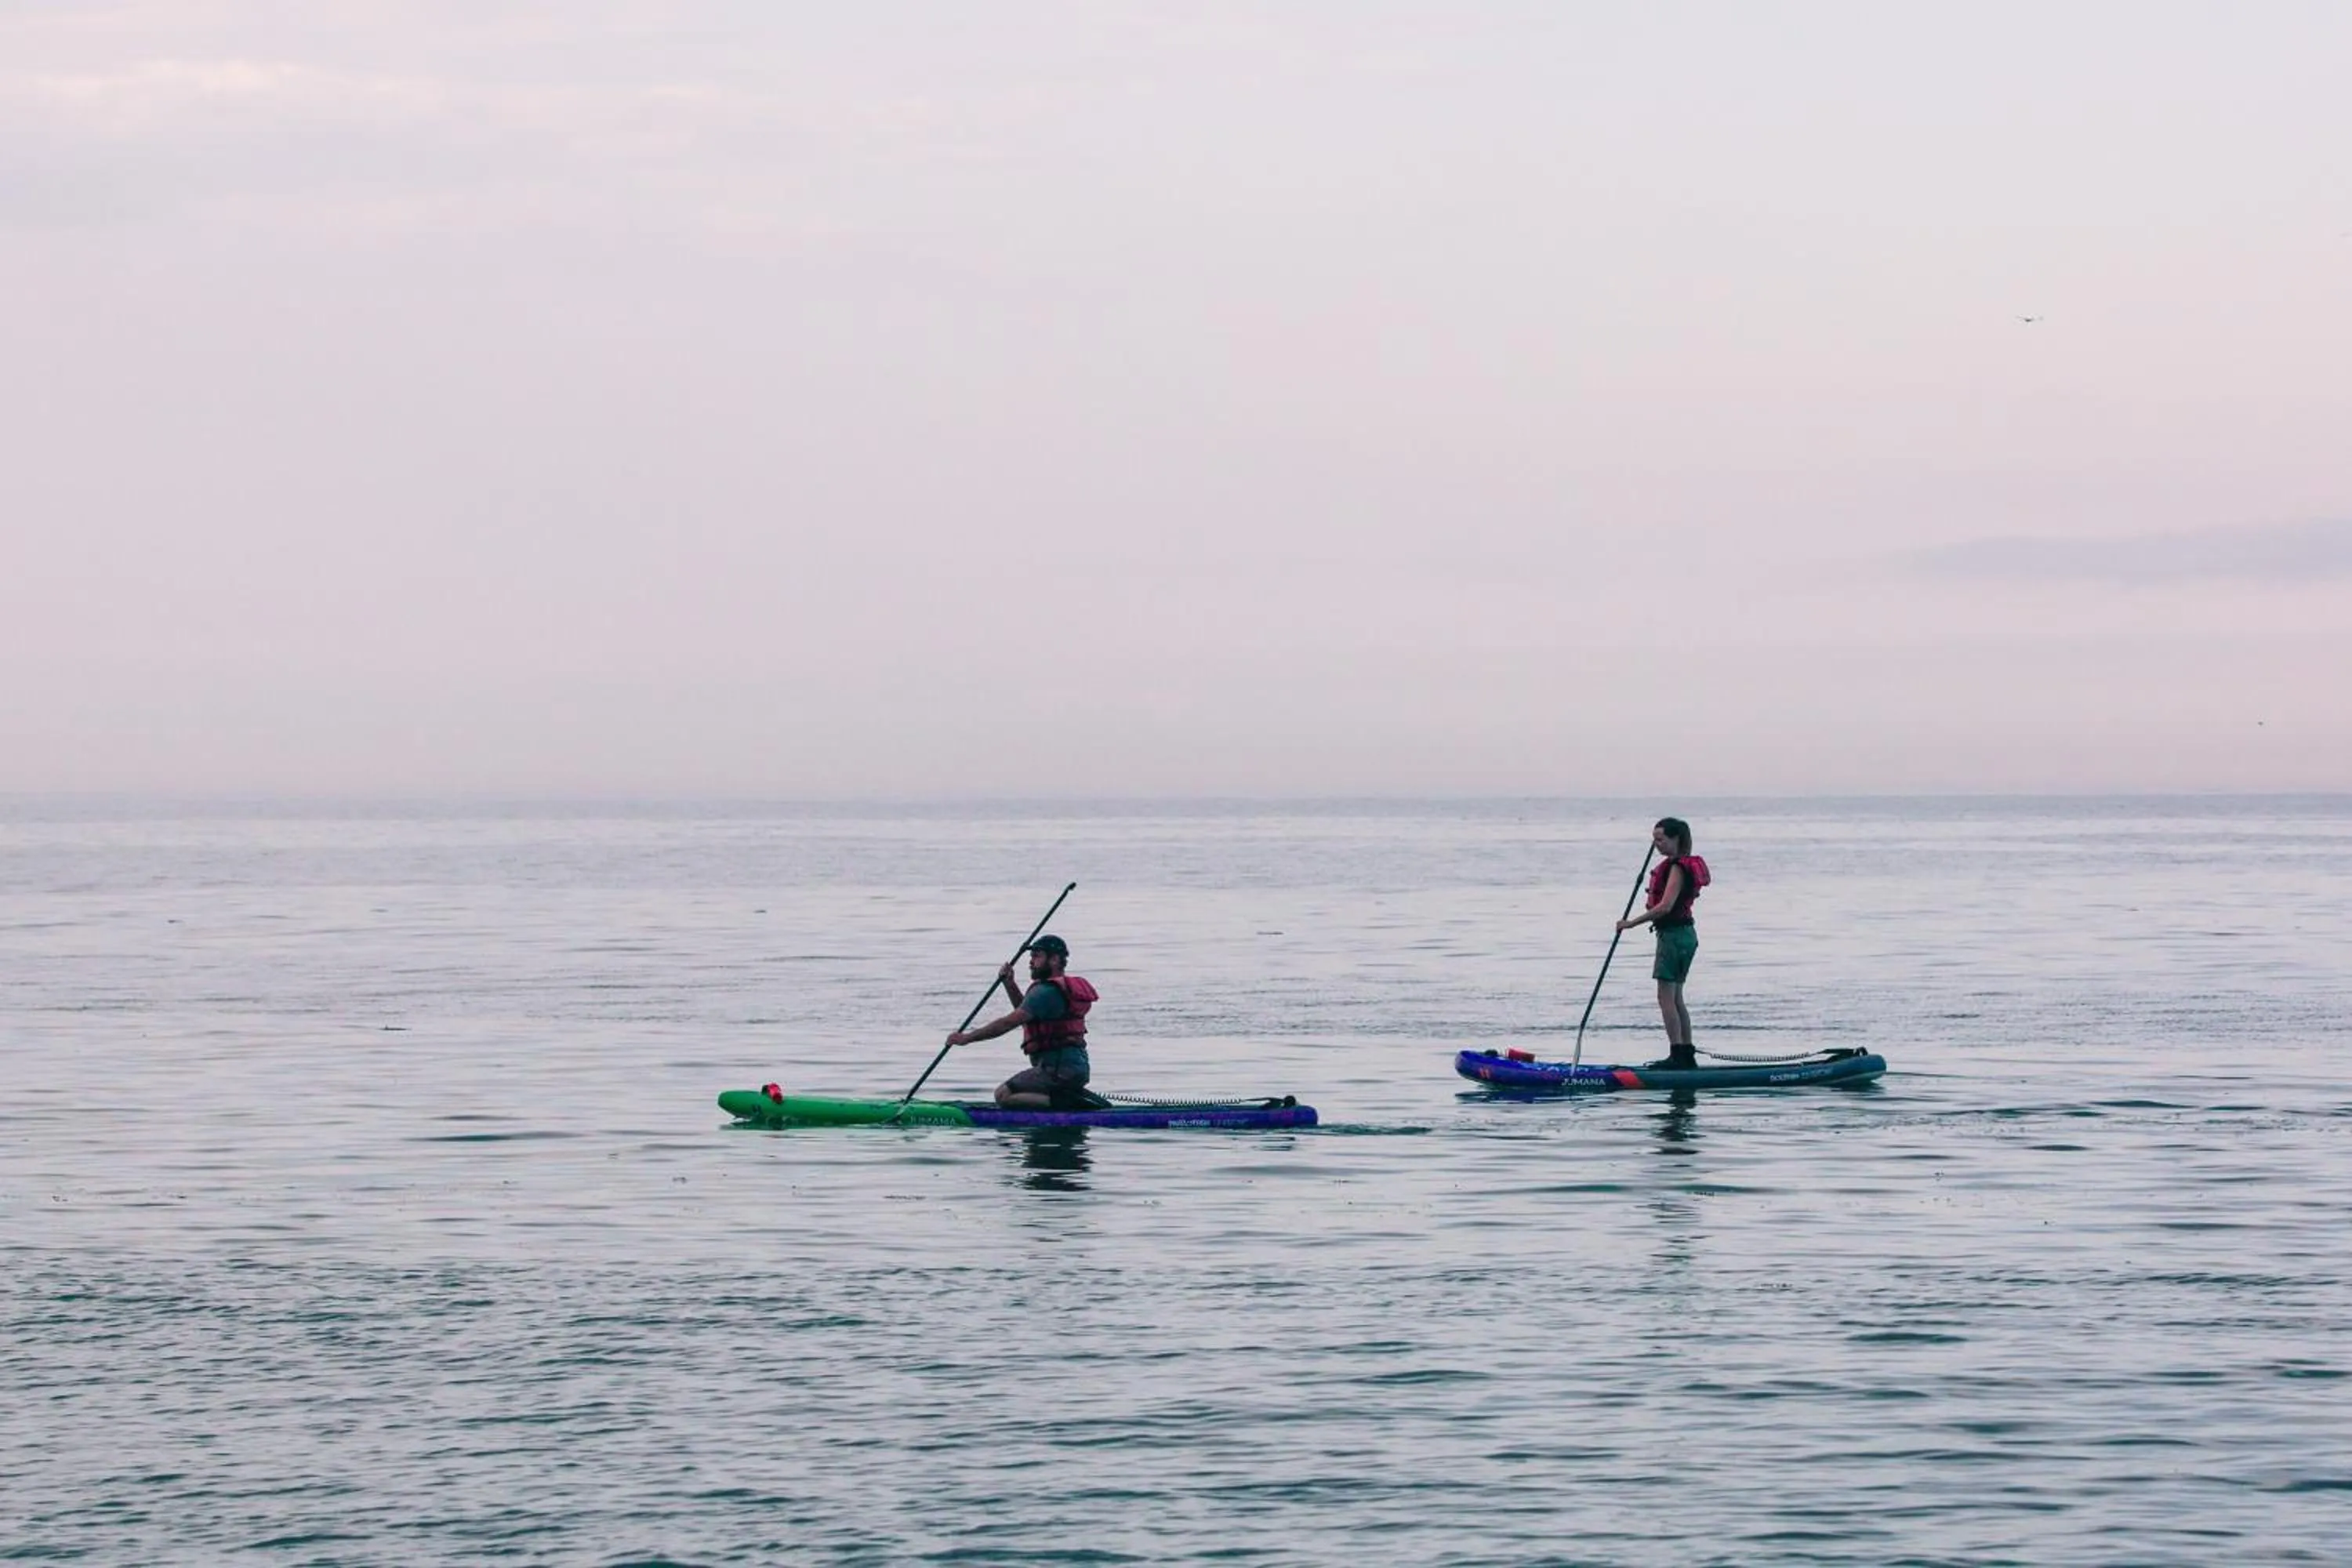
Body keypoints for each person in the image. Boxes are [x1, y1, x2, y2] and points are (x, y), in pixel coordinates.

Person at [944, 935, 1102, 1109]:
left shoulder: (1045, 992)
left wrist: (967, 1038)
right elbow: (1027, 1015)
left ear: (1055, 960)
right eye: (1031, 956)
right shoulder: (1052, 990)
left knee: (1004, 1095)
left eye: (1037, 956)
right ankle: (1066, 1098)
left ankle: (1069, 1103)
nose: (1031, 962)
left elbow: (1008, 1023)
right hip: (1073, 1069)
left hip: (1057, 1071)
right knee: (1018, 1093)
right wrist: (1010, 984)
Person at [1615, 817, 1711, 1070]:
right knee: (1677, 997)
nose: (1657, 844)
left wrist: (1631, 923)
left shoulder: (1677, 868)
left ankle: (1677, 1055)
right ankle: (1685, 1055)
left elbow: (1666, 906)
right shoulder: (1677, 865)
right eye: (1654, 839)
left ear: (1676, 839)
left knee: (1666, 997)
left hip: (1674, 937)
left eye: (1661, 839)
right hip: (1685, 935)